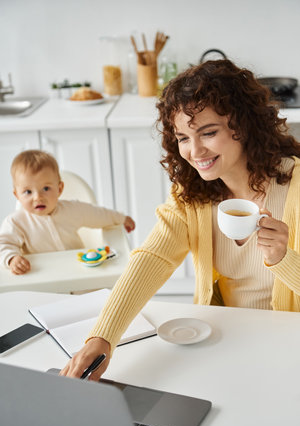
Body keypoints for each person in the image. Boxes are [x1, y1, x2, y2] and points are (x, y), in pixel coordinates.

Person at [61, 59, 300, 381]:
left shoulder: (295, 186)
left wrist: (283, 258)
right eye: (183, 138)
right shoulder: (193, 194)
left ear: (243, 126)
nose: (195, 150)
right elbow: (153, 258)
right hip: (230, 339)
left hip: (289, 343)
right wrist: (102, 338)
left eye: (208, 132)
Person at [0, 150, 135, 274]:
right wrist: (12, 259)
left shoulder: (72, 210)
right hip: (43, 278)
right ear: (17, 194)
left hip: (78, 275)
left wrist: (121, 218)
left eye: (46, 188)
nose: (38, 197)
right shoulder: (15, 222)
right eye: (28, 192)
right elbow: (4, 244)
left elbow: (97, 215)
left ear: (59, 189)